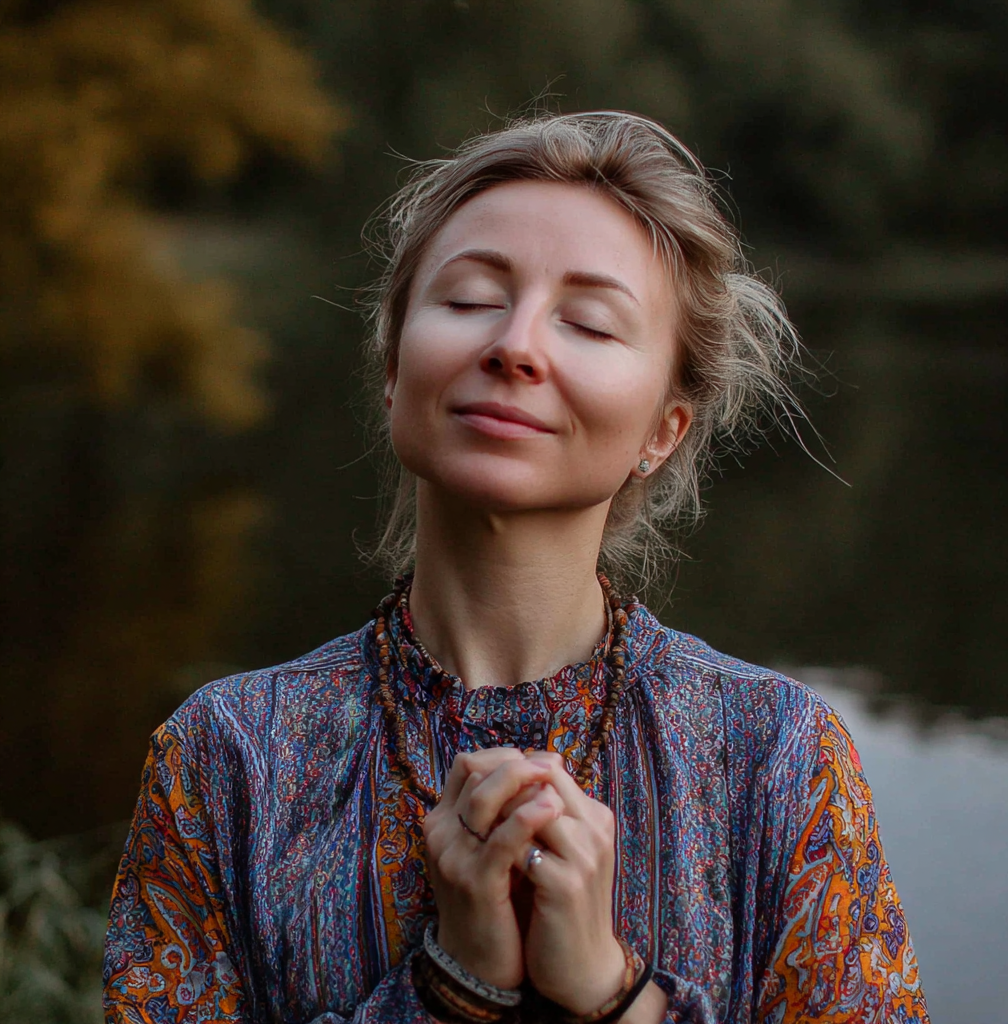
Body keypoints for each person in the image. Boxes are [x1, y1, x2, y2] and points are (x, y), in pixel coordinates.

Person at [102, 112, 929, 1023]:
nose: (516, 345)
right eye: (468, 300)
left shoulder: (777, 758)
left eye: (589, 322)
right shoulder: (227, 758)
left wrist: (617, 999)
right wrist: (452, 988)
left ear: (663, 430)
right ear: (392, 366)